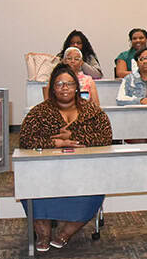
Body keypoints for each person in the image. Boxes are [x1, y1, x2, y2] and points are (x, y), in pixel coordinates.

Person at [18, 64, 113, 249]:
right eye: (59, 84)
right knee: (30, 184)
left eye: (69, 84)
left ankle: (65, 233)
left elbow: (106, 137)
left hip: (83, 170)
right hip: (46, 170)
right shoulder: (38, 113)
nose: (65, 88)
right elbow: (25, 140)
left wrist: (74, 137)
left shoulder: (93, 112)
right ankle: (43, 234)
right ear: (53, 88)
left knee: (95, 188)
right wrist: (56, 143)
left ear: (76, 87)